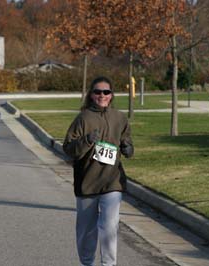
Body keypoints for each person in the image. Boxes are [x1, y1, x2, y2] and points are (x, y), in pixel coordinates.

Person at [63, 76, 134, 266]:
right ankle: (87, 263)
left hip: (112, 181)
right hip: (87, 182)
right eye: (97, 92)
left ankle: (108, 264)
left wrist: (128, 148)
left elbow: (127, 141)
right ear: (91, 95)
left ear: (111, 95)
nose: (102, 95)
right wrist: (86, 140)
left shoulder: (119, 118)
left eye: (106, 92)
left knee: (109, 228)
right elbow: (68, 149)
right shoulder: (83, 118)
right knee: (86, 230)